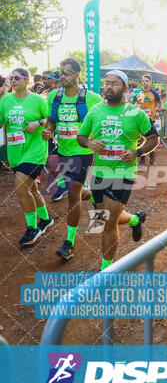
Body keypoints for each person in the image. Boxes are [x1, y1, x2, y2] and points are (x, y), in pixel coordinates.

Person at [77, 70, 159, 270]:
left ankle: (106, 271)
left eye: (114, 83)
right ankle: (134, 219)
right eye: (106, 83)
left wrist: (136, 153)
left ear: (125, 88)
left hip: (123, 172)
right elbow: (81, 136)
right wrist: (89, 143)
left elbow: (153, 138)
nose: (108, 87)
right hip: (100, 172)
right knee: (100, 215)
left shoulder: (135, 112)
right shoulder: (95, 110)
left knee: (108, 221)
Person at [42, 57, 103, 260]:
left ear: (78, 75)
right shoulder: (53, 96)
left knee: (72, 194)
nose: (62, 76)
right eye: (60, 72)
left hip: (83, 152)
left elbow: (101, 121)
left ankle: (69, 243)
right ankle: (96, 200)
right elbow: (51, 119)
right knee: (76, 192)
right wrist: (48, 130)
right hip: (63, 151)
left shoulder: (92, 98)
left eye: (66, 72)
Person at [0, 68, 53, 245]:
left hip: (35, 150)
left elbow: (51, 119)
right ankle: (46, 219)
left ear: (26, 80)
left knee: (20, 185)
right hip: (15, 151)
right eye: (11, 78)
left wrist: (38, 122)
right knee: (31, 189)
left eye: (17, 77)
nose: (13, 80)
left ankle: (32, 228)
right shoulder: (6, 100)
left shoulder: (38, 100)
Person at [130, 73, 161, 166]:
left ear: (150, 82)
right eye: (143, 81)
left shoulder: (154, 93)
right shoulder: (137, 92)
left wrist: (158, 111)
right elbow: (131, 103)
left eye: (146, 81)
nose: (144, 82)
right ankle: (142, 159)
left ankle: (152, 158)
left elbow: (160, 103)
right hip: (139, 119)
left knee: (151, 139)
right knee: (141, 140)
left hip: (151, 118)